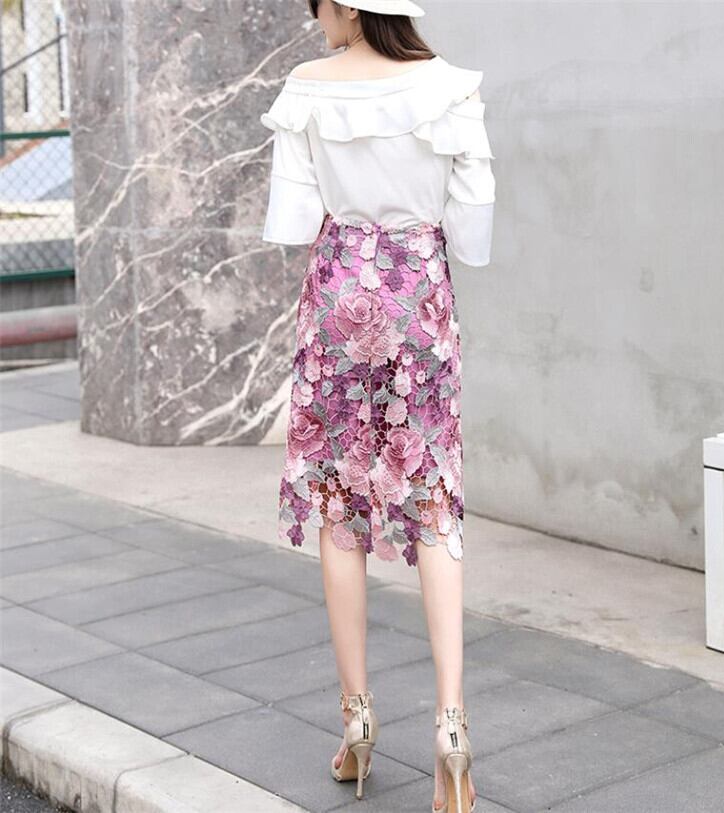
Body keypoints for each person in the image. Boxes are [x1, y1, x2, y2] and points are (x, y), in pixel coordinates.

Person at [259, 1, 495, 810]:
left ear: (345, 4)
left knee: (338, 502)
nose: (314, 16)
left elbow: (294, 221)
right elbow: (473, 236)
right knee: (433, 496)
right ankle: (452, 727)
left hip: (338, 298)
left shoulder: (307, 87)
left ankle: (357, 719)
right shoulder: (451, 88)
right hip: (420, 298)